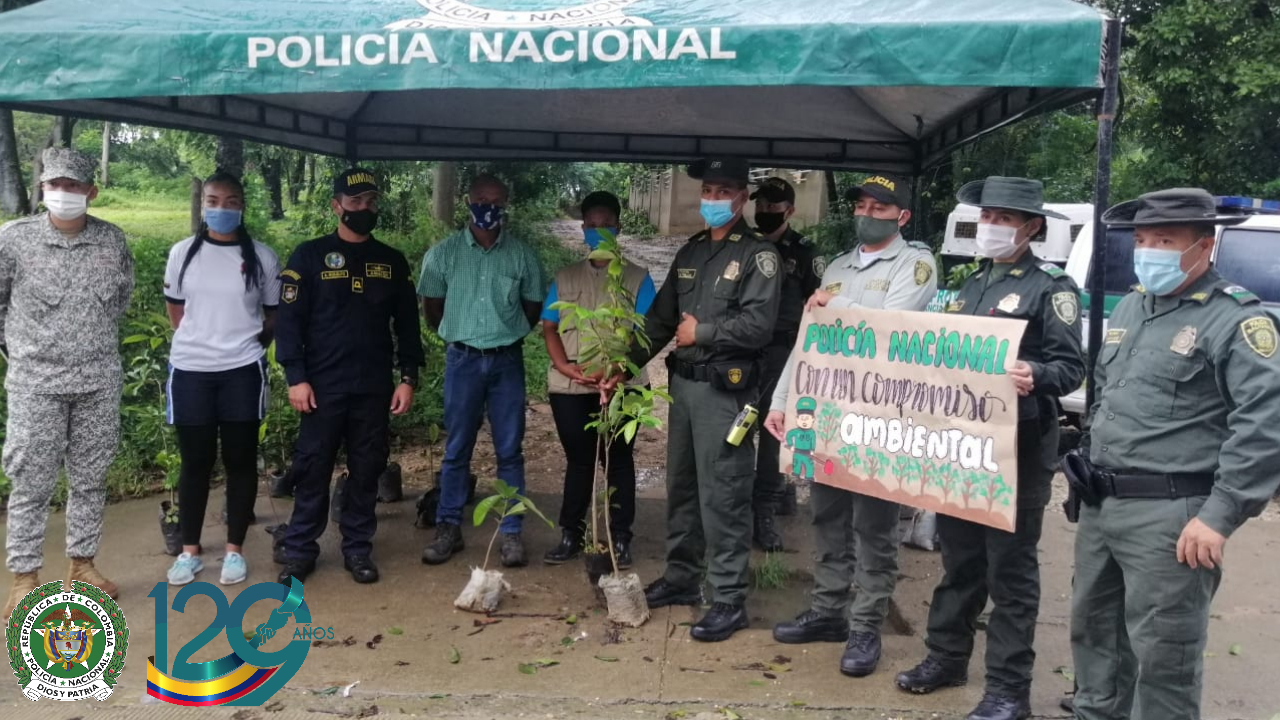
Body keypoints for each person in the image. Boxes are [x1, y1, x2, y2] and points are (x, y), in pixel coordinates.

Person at [1070, 188, 1280, 720]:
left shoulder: (1235, 319)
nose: (1149, 251)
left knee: (1165, 659)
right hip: (1103, 504)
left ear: (1204, 248)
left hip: (1174, 518)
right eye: (1142, 240)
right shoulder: (1135, 306)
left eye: (1165, 240)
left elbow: (1264, 424)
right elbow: (1111, 394)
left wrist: (1220, 516)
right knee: (1095, 639)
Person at [895, 177, 1085, 720]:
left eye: (1004, 219)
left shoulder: (1052, 289)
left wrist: (1037, 371)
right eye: (987, 217)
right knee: (959, 560)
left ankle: (1008, 689)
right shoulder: (970, 284)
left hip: (1018, 449)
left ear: (1032, 228)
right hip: (962, 445)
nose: (992, 227)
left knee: (1011, 571)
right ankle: (946, 657)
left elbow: (1073, 368)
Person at [763, 175, 936, 677]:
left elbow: (891, 328)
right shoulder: (837, 265)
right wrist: (782, 399)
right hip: (829, 414)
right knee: (827, 515)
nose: (867, 213)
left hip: (880, 416)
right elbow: (808, 339)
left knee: (874, 525)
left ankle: (866, 625)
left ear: (901, 216)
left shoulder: (916, 263)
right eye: (861, 204)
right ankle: (828, 610)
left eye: (880, 207)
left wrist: (834, 306)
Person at [618, 157, 781, 642]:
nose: (712, 198)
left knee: (725, 493)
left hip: (724, 392)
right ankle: (682, 577)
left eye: (723, 189)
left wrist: (703, 331)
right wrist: (622, 364)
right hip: (685, 389)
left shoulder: (757, 256)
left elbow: (759, 326)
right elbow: (663, 319)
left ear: (741, 198)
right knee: (683, 487)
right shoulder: (690, 251)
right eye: (708, 189)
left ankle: (729, 599)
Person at [1, 147, 135, 618]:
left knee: (90, 477)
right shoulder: (14, 241)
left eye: (74, 186)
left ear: (91, 192)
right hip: (36, 382)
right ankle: (24, 576)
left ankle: (82, 565)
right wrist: (22, 352)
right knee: (31, 481)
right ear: (42, 188)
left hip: (97, 379)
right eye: (55, 185)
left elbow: (119, 301)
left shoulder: (111, 241)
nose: (63, 193)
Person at [274, 168, 423, 586]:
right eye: (355, 202)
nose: (364, 209)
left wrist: (407, 377)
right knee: (312, 468)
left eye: (371, 201)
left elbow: (407, 327)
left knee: (367, 467)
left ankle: (358, 547)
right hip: (321, 387)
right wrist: (295, 377)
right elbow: (289, 324)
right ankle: (301, 549)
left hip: (373, 388)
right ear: (336, 206)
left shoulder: (391, 261)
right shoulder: (308, 256)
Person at [162, 171, 282, 586]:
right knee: (195, 462)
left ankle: (234, 551)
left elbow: (272, 315)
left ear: (243, 206)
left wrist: (243, 344)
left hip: (242, 370)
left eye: (231, 201)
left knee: (240, 461)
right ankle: (189, 551)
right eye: (213, 200)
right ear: (202, 205)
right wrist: (203, 342)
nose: (221, 208)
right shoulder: (182, 253)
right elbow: (176, 312)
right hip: (191, 370)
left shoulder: (262, 256)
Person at [419, 174, 544, 568]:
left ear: (506, 203)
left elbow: (533, 306)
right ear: (467, 201)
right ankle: (448, 527)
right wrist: (461, 336)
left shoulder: (522, 255)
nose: (488, 205)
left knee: (510, 449)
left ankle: (510, 532)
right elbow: (432, 308)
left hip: (507, 361)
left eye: (496, 199)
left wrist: (508, 334)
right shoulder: (444, 254)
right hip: (463, 360)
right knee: (457, 448)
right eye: (481, 198)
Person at [540, 191, 656, 568]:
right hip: (571, 385)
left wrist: (618, 373)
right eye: (593, 225)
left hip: (625, 384)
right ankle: (571, 533)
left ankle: (620, 537)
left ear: (619, 228)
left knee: (619, 459)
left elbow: (648, 335)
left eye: (607, 225)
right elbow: (550, 328)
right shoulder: (565, 276)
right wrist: (564, 367)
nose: (599, 231)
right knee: (579, 460)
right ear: (583, 228)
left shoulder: (639, 278)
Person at [749, 176, 822, 552]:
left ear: (790, 211)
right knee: (740, 430)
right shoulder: (744, 246)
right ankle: (742, 503)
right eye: (759, 205)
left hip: (784, 352)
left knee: (775, 435)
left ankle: (765, 509)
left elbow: (818, 309)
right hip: (744, 352)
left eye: (772, 206)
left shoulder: (806, 253)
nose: (763, 212)